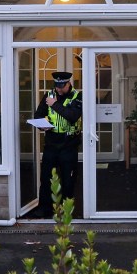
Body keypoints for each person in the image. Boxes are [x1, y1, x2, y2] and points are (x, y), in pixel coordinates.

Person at [31, 71, 83, 218]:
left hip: (69, 144)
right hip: (51, 143)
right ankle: (44, 209)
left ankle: (67, 211)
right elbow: (38, 114)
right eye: (57, 86)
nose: (59, 89)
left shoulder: (77, 97)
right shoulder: (49, 95)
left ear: (68, 83)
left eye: (62, 86)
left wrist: (55, 105)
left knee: (68, 180)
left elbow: (72, 116)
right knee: (46, 178)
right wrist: (42, 125)